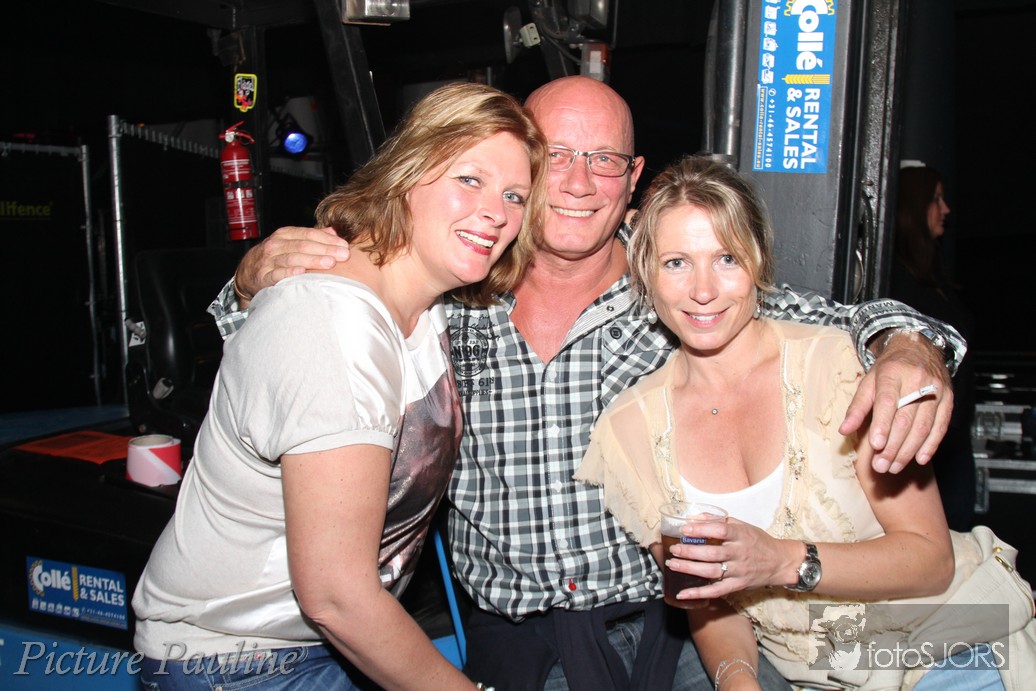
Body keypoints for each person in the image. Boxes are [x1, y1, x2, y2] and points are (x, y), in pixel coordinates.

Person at [212, 76, 966, 689]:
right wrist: (251, 280)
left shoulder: (674, 278)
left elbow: (844, 320)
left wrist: (910, 348)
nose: (577, 182)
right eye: (556, 156)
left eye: (604, 160)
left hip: (675, 624)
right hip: (517, 638)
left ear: (632, 178)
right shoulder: (451, 279)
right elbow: (276, 344)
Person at [132, 81, 548, 690]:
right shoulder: (335, 322)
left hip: (323, 644)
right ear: (407, 172)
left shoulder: (430, 307)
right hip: (240, 661)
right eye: (470, 179)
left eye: (514, 195)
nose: (496, 212)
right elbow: (335, 595)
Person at [575, 155, 1035, 690]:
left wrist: (783, 561)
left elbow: (930, 560)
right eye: (676, 262)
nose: (702, 289)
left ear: (758, 261)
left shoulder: (840, 369)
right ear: (645, 271)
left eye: (727, 258)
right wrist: (737, 679)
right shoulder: (630, 428)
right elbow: (705, 598)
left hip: (947, 645)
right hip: (822, 674)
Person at [890, 162, 977, 531]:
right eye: (936, 199)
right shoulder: (898, 282)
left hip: (950, 441)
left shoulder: (931, 277)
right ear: (914, 205)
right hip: (925, 447)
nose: (946, 209)